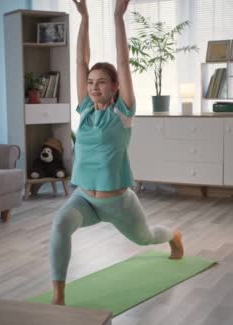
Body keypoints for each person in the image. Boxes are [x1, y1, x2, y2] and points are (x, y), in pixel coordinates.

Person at [49, 0, 184, 306]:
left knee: (146, 237)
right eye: (90, 83)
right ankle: (59, 295)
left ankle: (174, 235)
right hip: (84, 198)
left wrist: (117, 17)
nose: (93, 87)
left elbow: (123, 62)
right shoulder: (85, 109)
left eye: (101, 83)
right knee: (60, 224)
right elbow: (80, 61)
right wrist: (82, 17)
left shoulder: (123, 113)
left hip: (118, 202)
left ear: (115, 87)